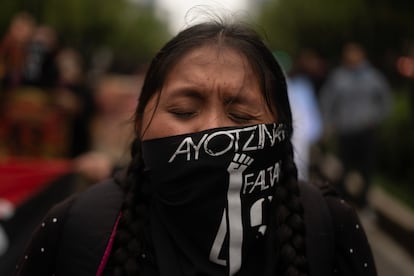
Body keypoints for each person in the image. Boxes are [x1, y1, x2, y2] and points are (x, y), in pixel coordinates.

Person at [16, 21, 377, 276]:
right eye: (184, 111)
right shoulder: (73, 229)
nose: (211, 129)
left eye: (240, 114)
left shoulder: (330, 228)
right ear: (141, 121)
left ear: (281, 132)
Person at [320, 42, 392, 208]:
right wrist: (328, 123)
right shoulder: (338, 77)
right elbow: (327, 101)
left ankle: (363, 202)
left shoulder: (373, 76)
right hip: (345, 130)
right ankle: (342, 202)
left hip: (366, 130)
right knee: (344, 167)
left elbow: (386, 101)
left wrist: (375, 118)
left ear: (362, 55)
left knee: (366, 168)